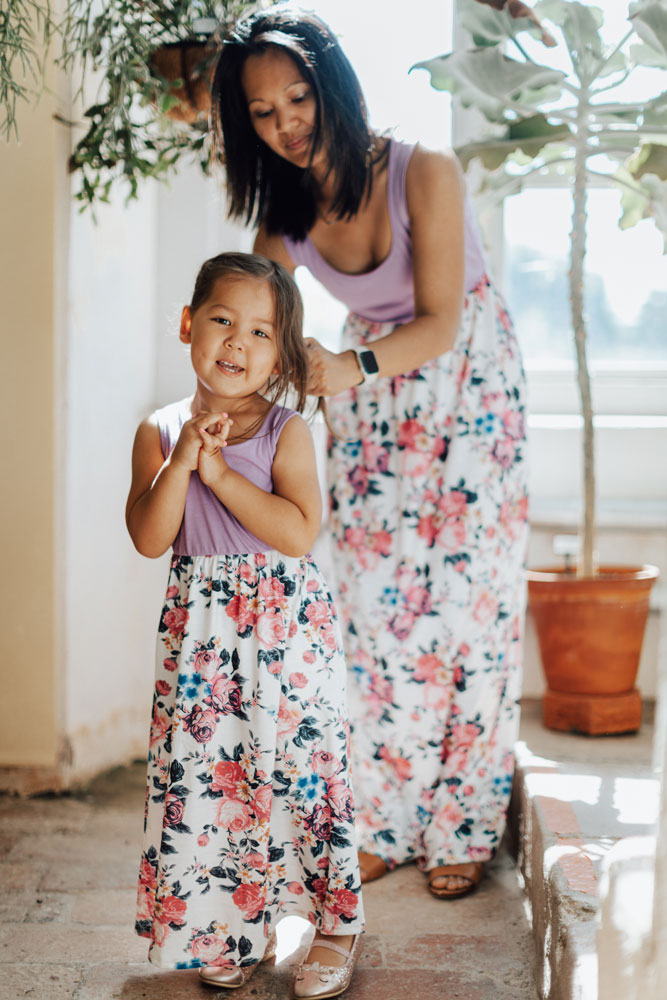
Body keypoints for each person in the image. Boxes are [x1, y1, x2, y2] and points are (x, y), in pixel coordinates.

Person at [212, 8, 529, 901]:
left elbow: (440, 319)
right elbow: (255, 325)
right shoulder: (283, 217)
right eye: (263, 111)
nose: (286, 123)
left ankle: (460, 826)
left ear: (334, 88)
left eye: (300, 97)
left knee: (469, 607)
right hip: (369, 402)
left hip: (466, 386)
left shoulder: (421, 168)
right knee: (372, 608)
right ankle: (384, 820)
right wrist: (217, 381)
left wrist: (344, 365)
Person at [126, 252, 364, 997]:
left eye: (261, 332)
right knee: (216, 777)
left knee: (302, 776)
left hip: (285, 632)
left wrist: (222, 474)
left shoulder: (288, 431)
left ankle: (335, 922)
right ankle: (235, 921)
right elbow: (149, 535)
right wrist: (184, 462)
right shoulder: (159, 431)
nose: (237, 342)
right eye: (223, 321)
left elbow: (296, 534)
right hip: (202, 644)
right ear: (187, 325)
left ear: (280, 356)